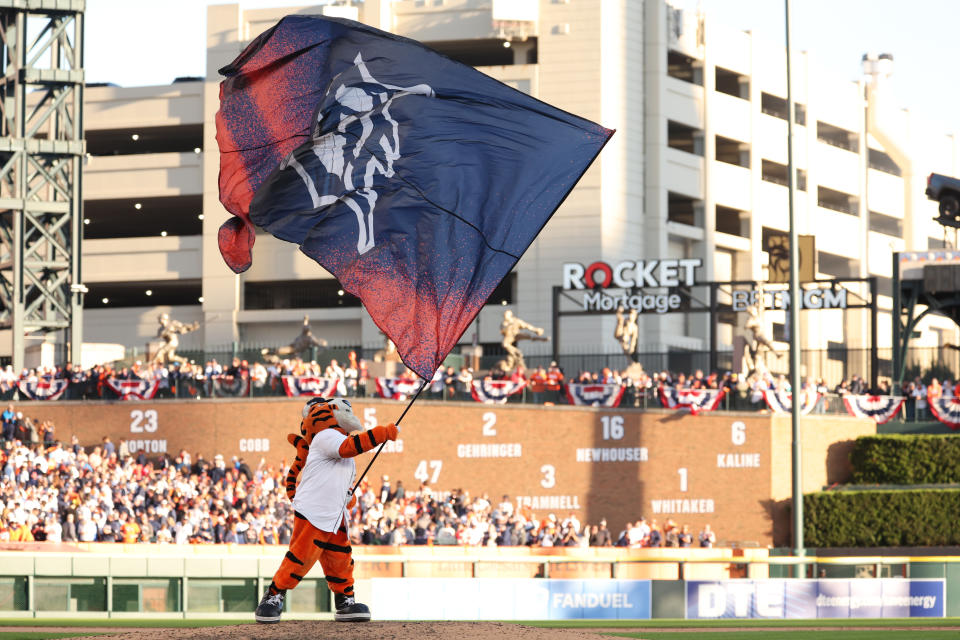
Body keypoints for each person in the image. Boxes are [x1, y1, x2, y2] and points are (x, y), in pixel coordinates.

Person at [255, 397, 399, 624]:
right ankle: (273, 596)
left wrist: (348, 497)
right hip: (314, 510)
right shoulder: (326, 435)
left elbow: (338, 479)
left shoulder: (333, 438)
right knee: (300, 557)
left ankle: (345, 600)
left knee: (340, 559)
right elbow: (348, 448)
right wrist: (383, 433)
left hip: (333, 514)